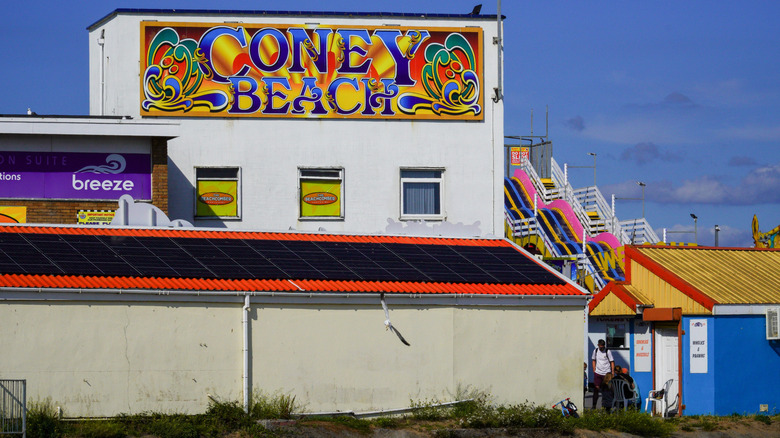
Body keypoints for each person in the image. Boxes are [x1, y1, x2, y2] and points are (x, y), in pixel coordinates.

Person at [591, 339, 614, 409]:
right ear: (598, 345)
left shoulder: (608, 351)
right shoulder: (595, 351)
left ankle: (606, 405)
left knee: (607, 390)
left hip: (606, 373)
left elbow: (612, 362)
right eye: (600, 347)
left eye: (603, 347)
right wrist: (594, 369)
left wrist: (612, 372)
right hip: (598, 373)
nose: (601, 348)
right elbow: (593, 360)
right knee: (596, 389)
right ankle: (594, 405)